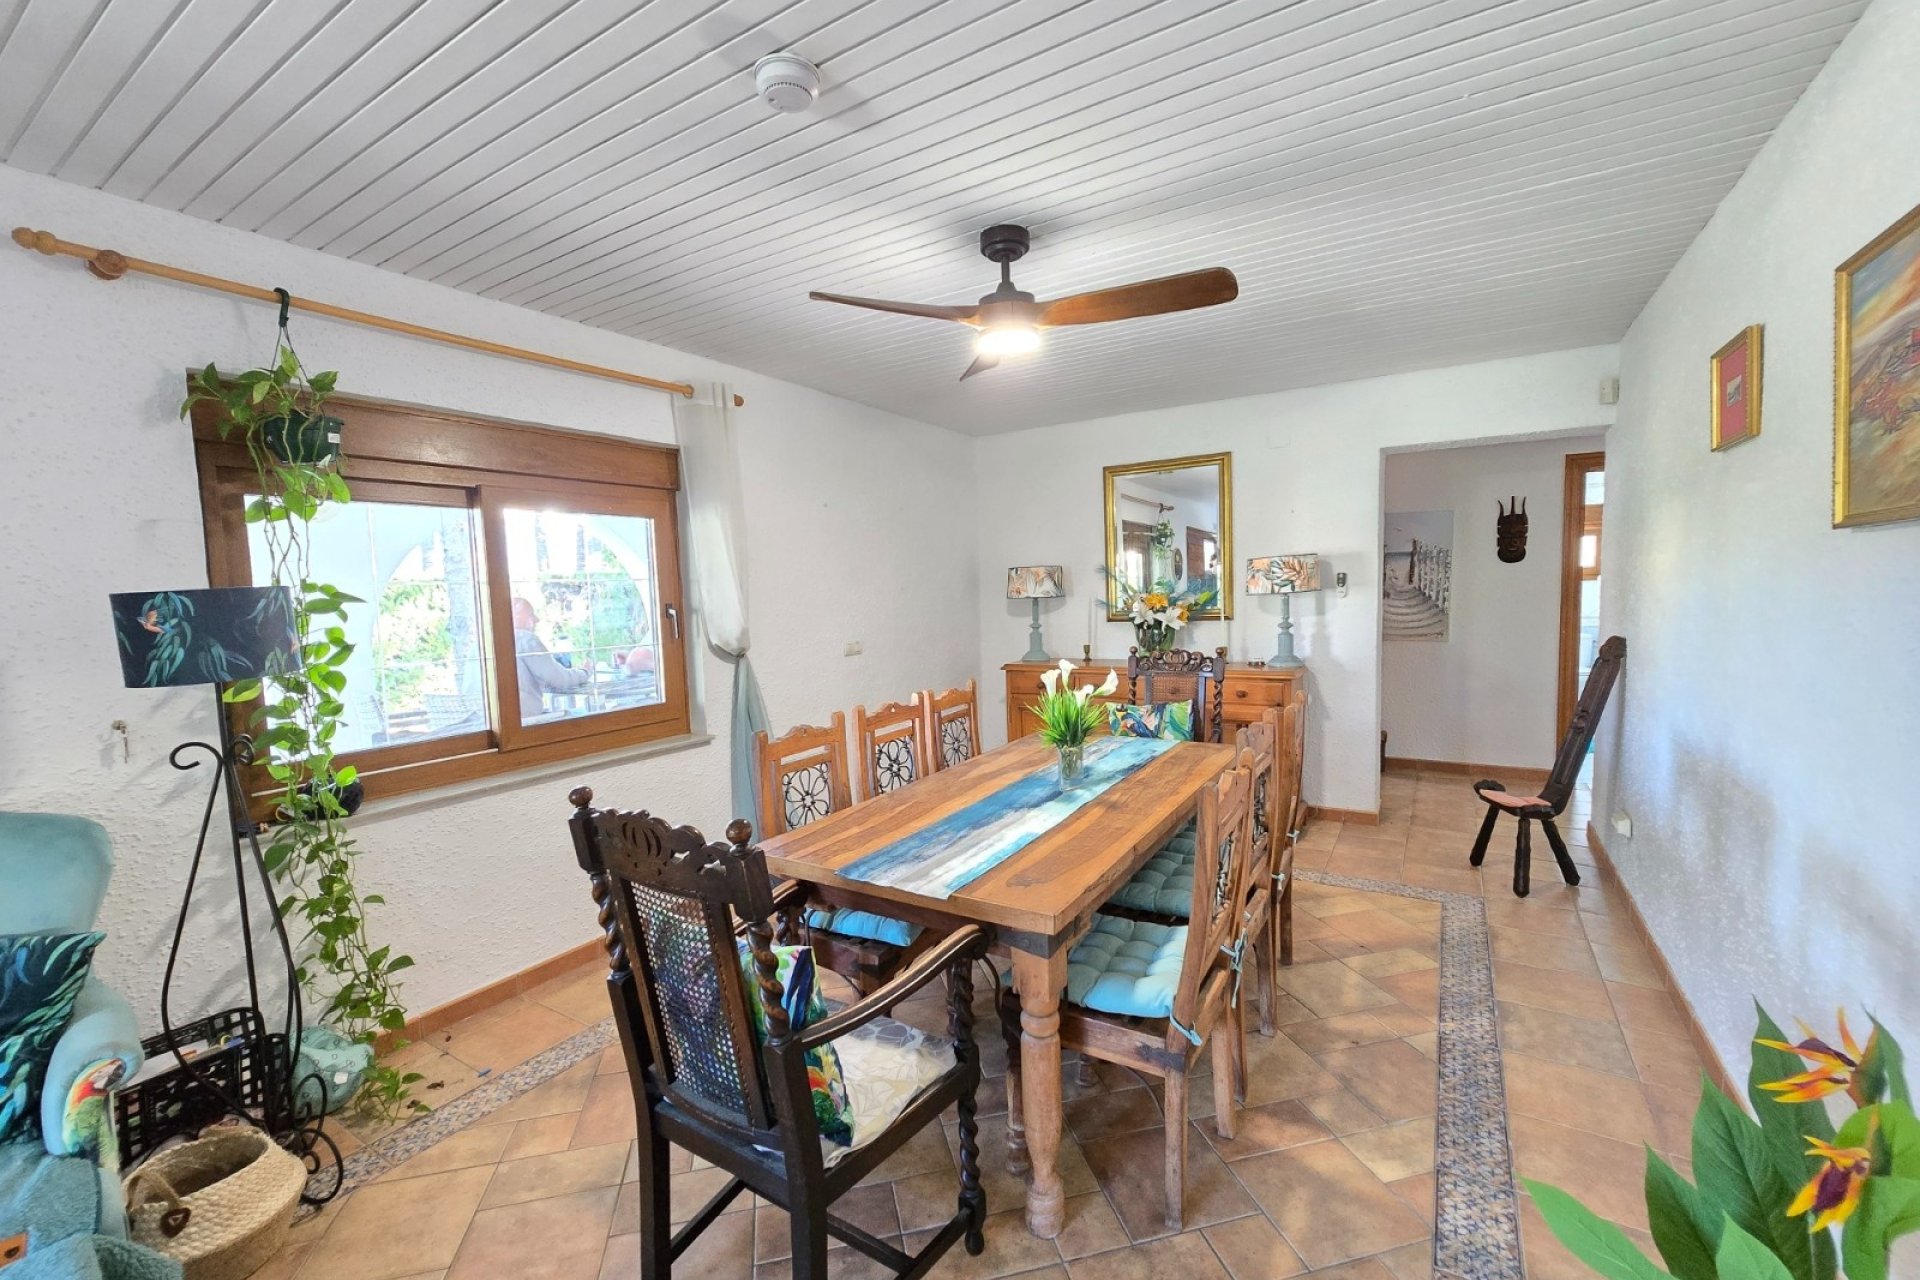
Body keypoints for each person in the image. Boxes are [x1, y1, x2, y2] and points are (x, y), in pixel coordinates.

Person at [512, 596, 591, 715]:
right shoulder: (525, 639)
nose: (537, 619)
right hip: (526, 719)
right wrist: (585, 672)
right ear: (515, 616)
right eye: (531, 614)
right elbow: (559, 679)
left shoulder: (493, 643)